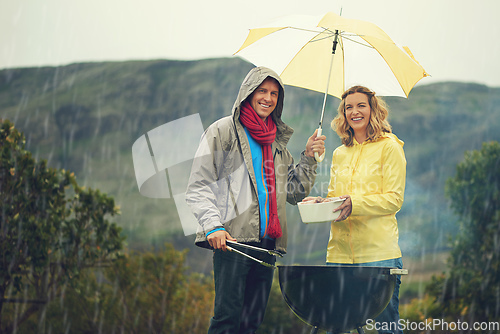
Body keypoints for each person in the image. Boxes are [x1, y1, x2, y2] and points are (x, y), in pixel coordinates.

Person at [186, 66, 325, 334]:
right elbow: (199, 185)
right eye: (262, 91)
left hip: (267, 247)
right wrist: (213, 226)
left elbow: (294, 193)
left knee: (251, 324)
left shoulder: (277, 144)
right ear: (248, 93)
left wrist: (308, 157)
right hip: (232, 242)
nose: (268, 98)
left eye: (274, 93)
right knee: (227, 321)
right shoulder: (222, 131)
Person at [305, 85, 406, 334]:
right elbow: (336, 198)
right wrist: (321, 203)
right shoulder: (340, 153)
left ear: (374, 110)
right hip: (338, 256)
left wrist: (355, 204)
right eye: (348, 107)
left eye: (361, 105)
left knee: (386, 327)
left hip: (378, 255)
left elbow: (394, 199)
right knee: (337, 326)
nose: (355, 111)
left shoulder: (389, 147)